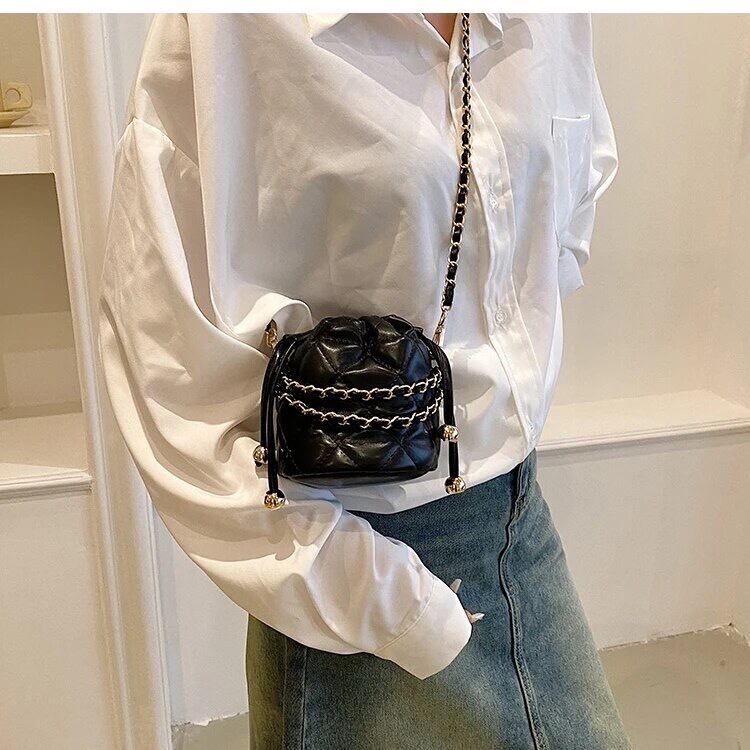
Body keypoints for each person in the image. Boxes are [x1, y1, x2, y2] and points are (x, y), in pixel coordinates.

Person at [98, 12, 629, 749]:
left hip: (518, 519)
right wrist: (376, 596)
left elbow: (569, 206)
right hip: (353, 563)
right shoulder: (234, 25)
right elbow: (165, 352)